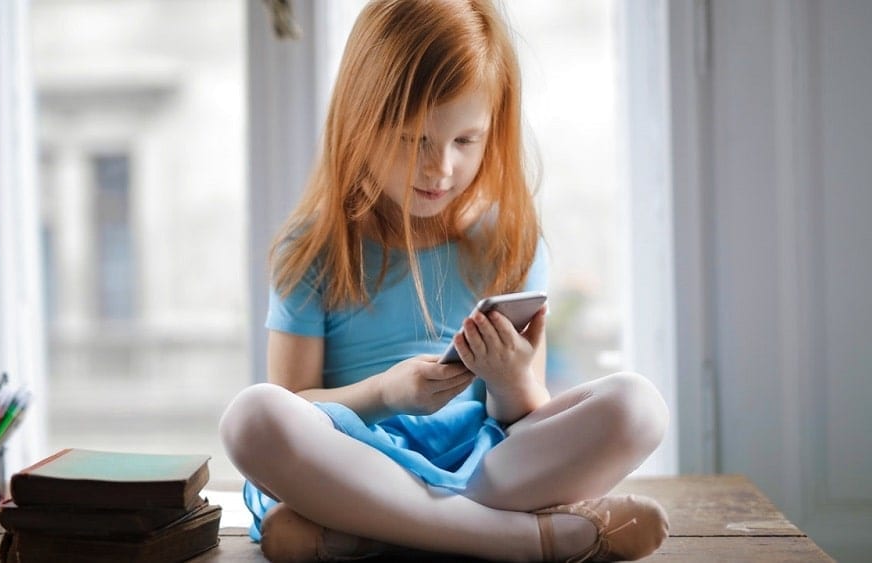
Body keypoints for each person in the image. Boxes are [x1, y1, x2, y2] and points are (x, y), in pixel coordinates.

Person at [220, 1, 670, 561]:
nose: (439, 170)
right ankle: (524, 540)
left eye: (465, 141)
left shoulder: (512, 241)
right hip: (359, 461)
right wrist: (386, 394)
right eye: (413, 141)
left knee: (639, 405)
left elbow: (524, 418)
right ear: (360, 123)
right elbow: (294, 405)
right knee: (251, 417)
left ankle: (375, 534)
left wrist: (509, 381)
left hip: (482, 463)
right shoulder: (314, 249)